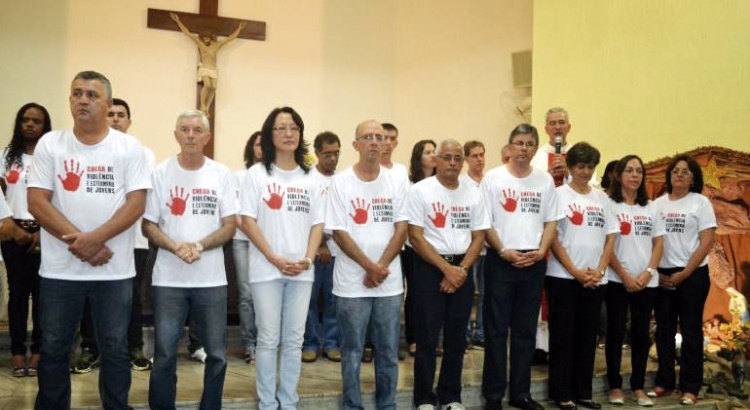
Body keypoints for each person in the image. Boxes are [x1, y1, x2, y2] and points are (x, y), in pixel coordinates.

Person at [28, 70, 150, 409]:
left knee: (114, 348)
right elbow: (37, 201)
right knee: (53, 348)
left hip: (113, 271)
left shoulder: (128, 147)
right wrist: (81, 243)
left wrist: (93, 240)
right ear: (69, 100)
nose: (83, 100)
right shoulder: (51, 144)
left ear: (108, 104)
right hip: (59, 271)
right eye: (77, 93)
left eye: (92, 95)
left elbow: (136, 203)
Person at [143, 109, 236, 410]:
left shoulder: (221, 174)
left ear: (207, 137)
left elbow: (230, 225)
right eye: (185, 129)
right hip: (168, 280)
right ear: (176, 135)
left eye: (197, 130)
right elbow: (148, 224)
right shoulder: (160, 172)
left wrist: (197, 245)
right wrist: (174, 246)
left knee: (217, 355)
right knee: (165, 354)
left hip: (211, 280)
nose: (191, 135)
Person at [239, 107, 324, 410]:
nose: (288, 134)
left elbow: (318, 223)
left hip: (301, 270)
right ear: (270, 134)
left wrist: (308, 259)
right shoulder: (257, 174)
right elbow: (246, 221)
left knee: (294, 340)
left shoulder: (311, 177)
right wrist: (274, 258)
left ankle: (288, 402)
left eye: (294, 128)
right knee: (269, 338)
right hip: (266, 269)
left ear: (300, 134)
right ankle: (267, 403)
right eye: (281, 128)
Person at [326, 120, 407, 410]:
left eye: (380, 137)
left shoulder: (396, 181)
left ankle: (387, 406)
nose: (375, 142)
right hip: (351, 283)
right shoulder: (341, 182)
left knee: (387, 351)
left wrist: (380, 266)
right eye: (368, 137)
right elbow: (338, 231)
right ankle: (352, 405)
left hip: (388, 283)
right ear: (356, 145)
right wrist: (369, 267)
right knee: (351, 351)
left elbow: (402, 229)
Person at [71, 97, 155, 374]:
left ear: (129, 121)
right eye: (111, 114)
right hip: (92, 240)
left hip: (134, 240)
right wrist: (95, 238)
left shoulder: (144, 153)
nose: (116, 118)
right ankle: (90, 349)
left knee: (131, 297)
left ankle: (134, 347)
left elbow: (136, 199)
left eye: (121, 114)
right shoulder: (87, 151)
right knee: (89, 296)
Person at [480, 124, 560, 410]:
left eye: (529, 144)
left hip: (534, 262)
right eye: (519, 143)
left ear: (535, 148)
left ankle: (521, 394)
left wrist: (541, 251)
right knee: (496, 331)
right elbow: (485, 222)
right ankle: (493, 396)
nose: (524, 148)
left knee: (526, 332)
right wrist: (503, 251)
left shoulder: (545, 181)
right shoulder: (493, 178)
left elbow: (552, 221)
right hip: (501, 261)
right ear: (510, 147)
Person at [407, 139, 489, 410]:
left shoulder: (474, 192)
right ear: (436, 161)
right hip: (430, 268)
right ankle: (424, 399)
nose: (452, 163)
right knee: (427, 339)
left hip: (463, 268)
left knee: (456, 338)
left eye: (457, 158)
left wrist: (461, 270)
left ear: (462, 162)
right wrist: (446, 269)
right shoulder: (420, 191)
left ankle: (451, 396)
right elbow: (415, 237)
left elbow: (479, 236)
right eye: (447, 157)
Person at [545, 142, 617, 410]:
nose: (585, 172)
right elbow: (553, 238)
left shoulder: (602, 199)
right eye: (580, 166)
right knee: (563, 336)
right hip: (563, 277)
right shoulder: (559, 194)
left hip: (596, 278)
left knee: (588, 337)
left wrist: (599, 270)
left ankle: (583, 392)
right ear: (571, 167)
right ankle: (561, 392)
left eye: (590, 167)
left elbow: (611, 237)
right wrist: (574, 271)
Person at [651, 155, 716, 406]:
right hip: (663, 274)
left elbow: (706, 242)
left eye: (685, 172)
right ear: (669, 176)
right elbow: (653, 241)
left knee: (690, 331)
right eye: (675, 171)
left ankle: (690, 387)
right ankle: (665, 382)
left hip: (692, 274)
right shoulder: (657, 204)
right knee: (664, 330)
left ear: (693, 179)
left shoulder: (700, 203)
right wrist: (657, 272)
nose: (679, 175)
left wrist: (685, 274)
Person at [604, 155, 665, 407]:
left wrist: (648, 272)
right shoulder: (609, 205)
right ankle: (615, 386)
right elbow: (606, 245)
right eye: (629, 170)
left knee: (641, 335)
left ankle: (638, 386)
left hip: (645, 282)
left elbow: (659, 243)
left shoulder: (651, 207)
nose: (634, 175)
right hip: (617, 280)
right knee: (615, 333)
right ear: (618, 175)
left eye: (639, 171)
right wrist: (625, 275)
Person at [1, 102, 50, 377]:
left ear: (45, 126)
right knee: (18, 294)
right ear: (19, 124)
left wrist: (43, 231)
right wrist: (13, 229)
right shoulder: (6, 156)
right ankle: (18, 351)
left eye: (37, 121)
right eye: (25, 120)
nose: (30, 125)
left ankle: (40, 350)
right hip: (12, 234)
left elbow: (59, 198)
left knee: (43, 295)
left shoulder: (51, 157)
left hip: (46, 233)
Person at [302, 131, 343, 363]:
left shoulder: (342, 180)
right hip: (311, 249)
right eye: (327, 154)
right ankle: (309, 343)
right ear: (317, 153)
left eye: (336, 153)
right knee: (308, 298)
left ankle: (331, 343)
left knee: (332, 298)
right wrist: (319, 245)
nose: (333, 159)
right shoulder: (307, 179)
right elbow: (305, 215)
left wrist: (330, 244)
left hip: (338, 249)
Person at [170, 12, 247, 114]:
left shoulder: (216, 45)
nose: (206, 40)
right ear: (203, 39)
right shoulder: (201, 45)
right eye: (205, 38)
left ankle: (207, 107)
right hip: (205, 67)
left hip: (213, 68)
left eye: (208, 38)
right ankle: (202, 105)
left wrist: (239, 29)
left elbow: (229, 39)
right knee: (207, 85)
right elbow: (188, 33)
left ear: (210, 39)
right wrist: (178, 21)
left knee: (214, 87)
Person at [404, 139, 437, 357]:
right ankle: (414, 338)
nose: (433, 155)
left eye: (435, 151)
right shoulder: (409, 184)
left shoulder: (442, 183)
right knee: (415, 293)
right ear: (419, 157)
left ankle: (432, 338)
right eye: (427, 152)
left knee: (434, 295)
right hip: (414, 246)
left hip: (437, 248)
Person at [234, 131, 261, 364]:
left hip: (269, 245)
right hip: (242, 240)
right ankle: (249, 344)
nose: (262, 149)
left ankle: (266, 343)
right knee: (247, 294)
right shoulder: (238, 176)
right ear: (251, 148)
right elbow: (237, 214)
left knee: (266, 293)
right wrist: (257, 234)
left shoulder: (275, 177)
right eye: (258, 145)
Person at [460, 140, 487, 349]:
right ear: (467, 159)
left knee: (487, 292)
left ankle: (480, 334)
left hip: (490, 246)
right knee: (467, 291)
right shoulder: (461, 183)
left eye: (482, 155)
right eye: (474, 155)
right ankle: (465, 333)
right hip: (468, 246)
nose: (479, 159)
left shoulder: (491, 181)